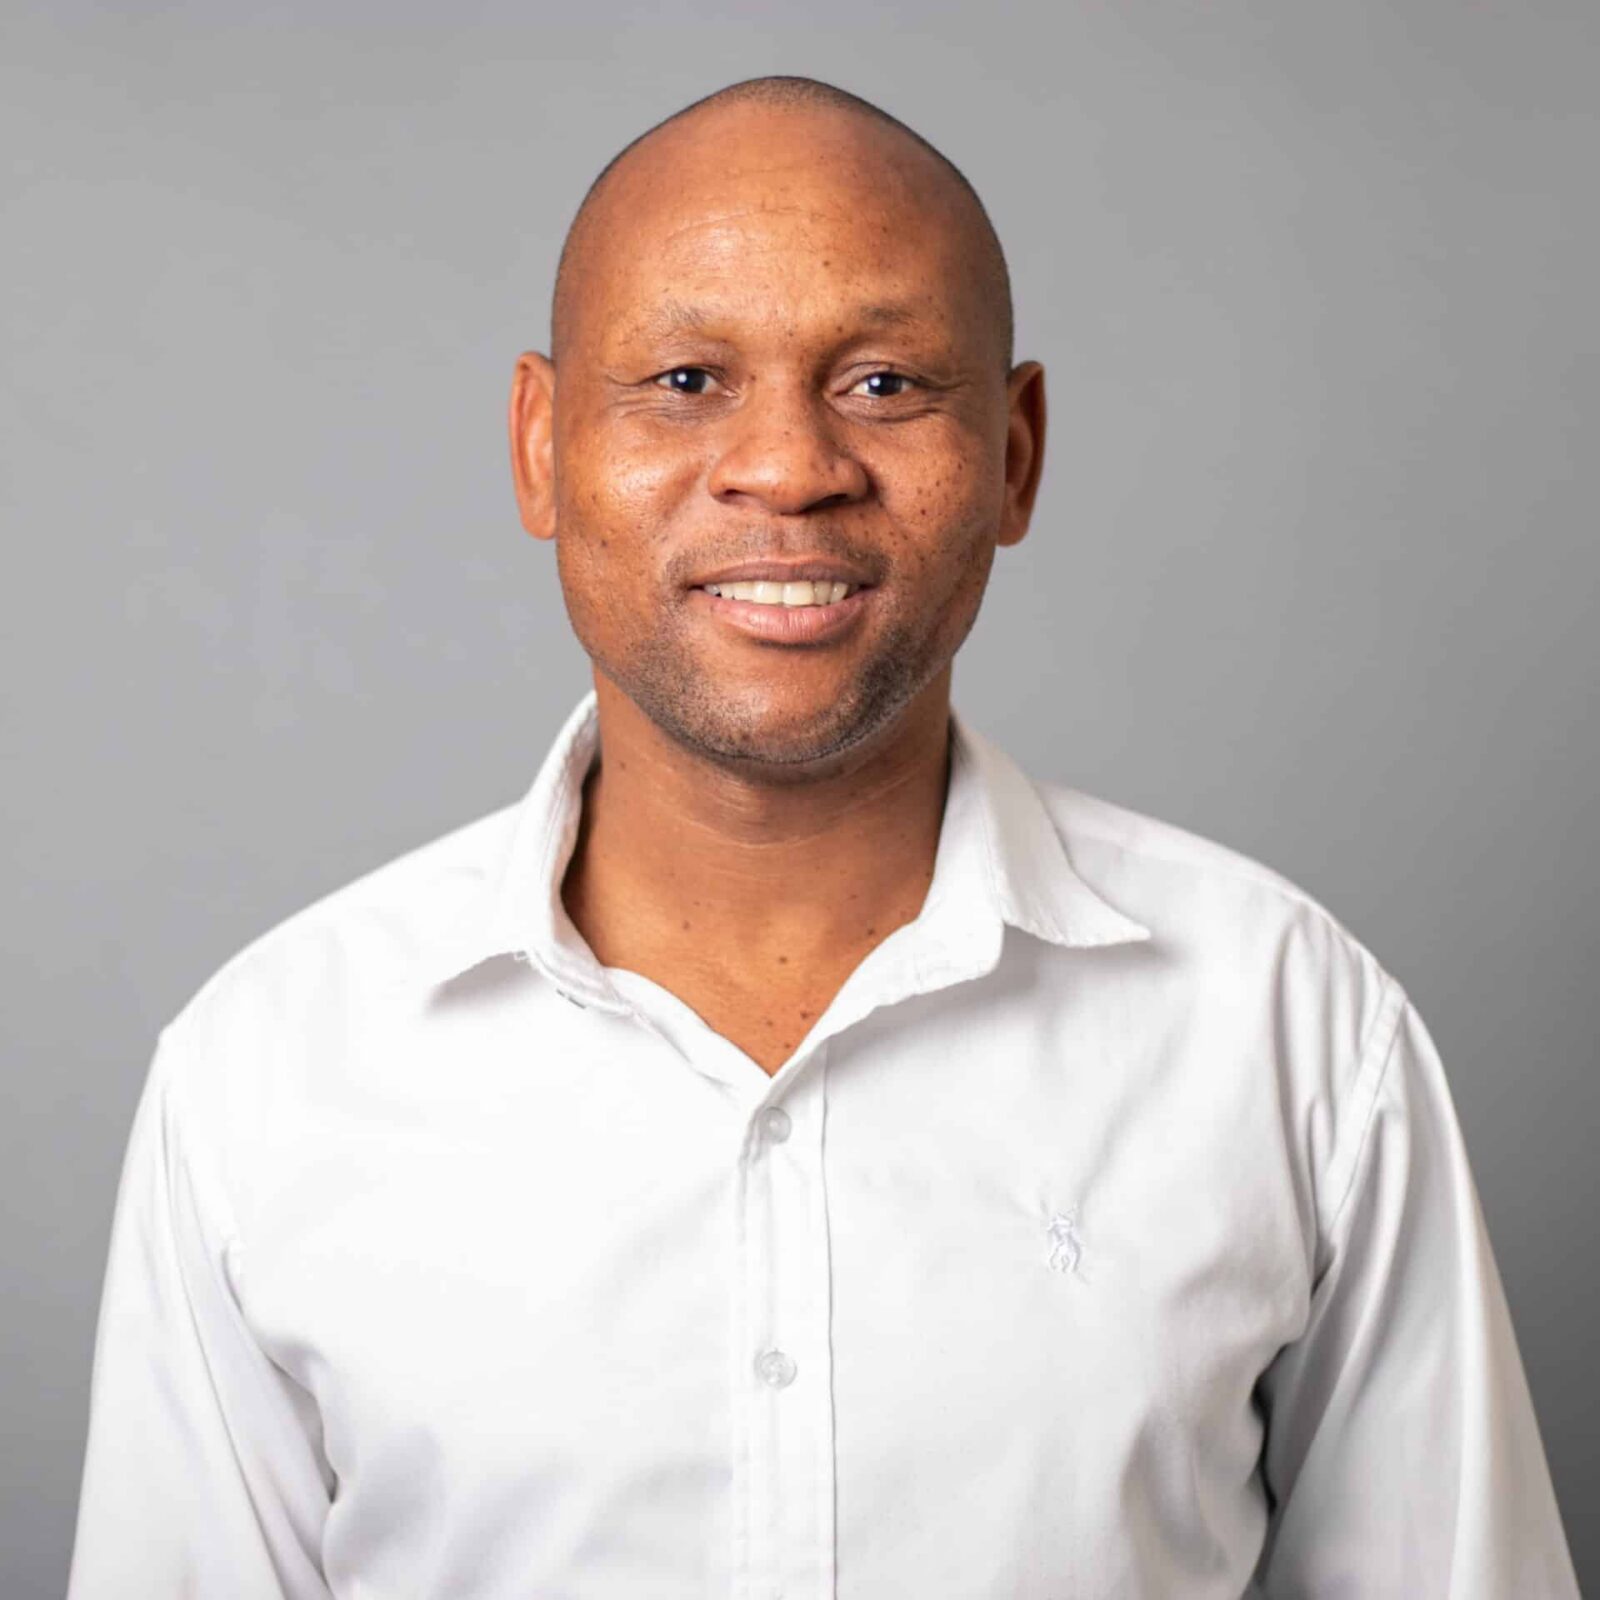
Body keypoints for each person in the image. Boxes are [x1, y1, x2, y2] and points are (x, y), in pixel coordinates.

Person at [66, 75, 1580, 1599]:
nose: (788, 469)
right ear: (539, 444)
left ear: (1017, 455)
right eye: (682, 379)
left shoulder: (1291, 1029)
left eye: (883, 384)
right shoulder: (266, 1076)